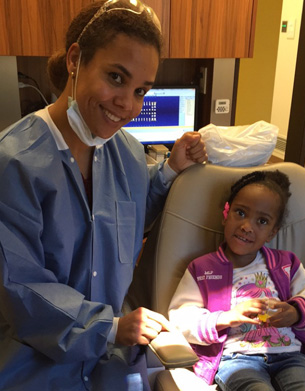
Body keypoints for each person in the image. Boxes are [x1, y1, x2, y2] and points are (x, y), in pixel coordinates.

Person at [0, 1, 208, 390]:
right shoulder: (14, 163)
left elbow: (126, 222)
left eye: (141, 90)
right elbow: (20, 286)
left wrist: (170, 170)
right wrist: (110, 328)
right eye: (116, 77)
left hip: (105, 364)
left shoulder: (127, 152)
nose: (128, 105)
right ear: (76, 59)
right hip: (33, 365)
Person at [169, 170, 305, 391]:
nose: (247, 226)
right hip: (237, 359)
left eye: (262, 221)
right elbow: (180, 317)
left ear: (272, 232)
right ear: (225, 214)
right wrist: (226, 318)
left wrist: (295, 311)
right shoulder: (202, 269)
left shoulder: (287, 264)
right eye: (240, 213)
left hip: (289, 355)